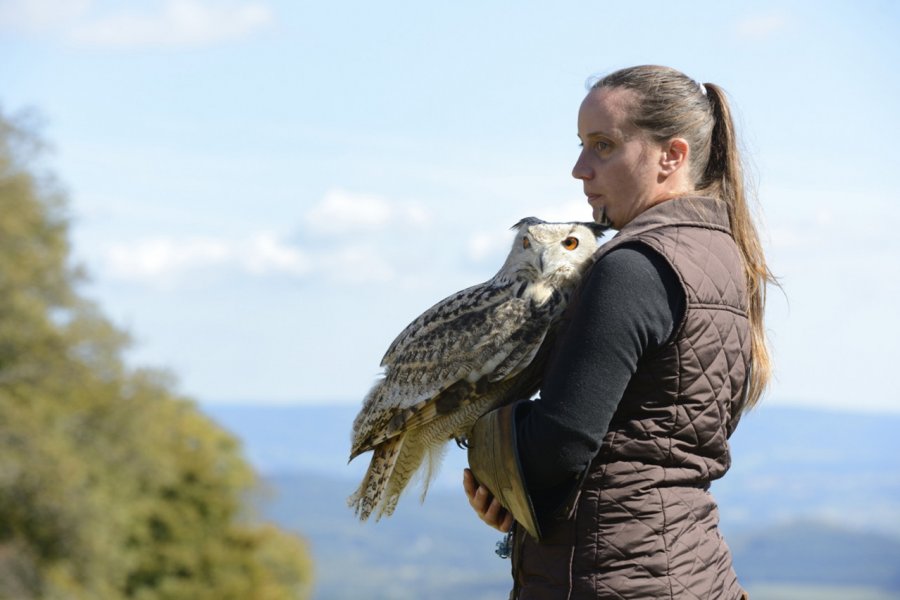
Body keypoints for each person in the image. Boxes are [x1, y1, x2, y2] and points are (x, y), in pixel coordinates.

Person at [463, 65, 774, 599]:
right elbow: (650, 444)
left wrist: (488, 445)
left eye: (603, 146)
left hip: (610, 580)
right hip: (693, 573)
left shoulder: (631, 267)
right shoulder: (721, 255)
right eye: (582, 146)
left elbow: (558, 449)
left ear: (671, 156)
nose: (579, 169)